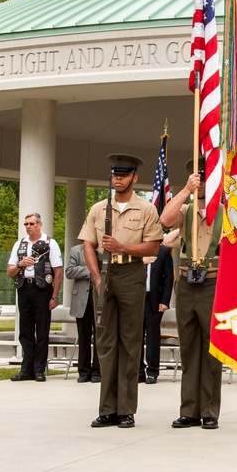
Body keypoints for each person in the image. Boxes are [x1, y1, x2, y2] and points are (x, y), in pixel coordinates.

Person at [79, 153, 163, 429]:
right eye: (115, 174)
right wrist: (96, 277)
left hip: (131, 273)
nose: (118, 178)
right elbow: (87, 245)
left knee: (130, 342)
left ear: (134, 178)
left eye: (124, 175)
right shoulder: (98, 209)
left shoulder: (146, 208)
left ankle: (126, 409)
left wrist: (123, 248)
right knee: (104, 342)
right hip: (104, 275)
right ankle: (107, 409)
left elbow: (152, 247)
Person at [160, 159, 224, 430]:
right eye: (197, 176)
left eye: (205, 177)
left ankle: (210, 411)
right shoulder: (184, 210)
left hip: (212, 283)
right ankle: (189, 409)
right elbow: (164, 220)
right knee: (188, 349)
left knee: (212, 350)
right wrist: (185, 190)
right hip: (186, 283)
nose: (200, 181)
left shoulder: (224, 212)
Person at [7, 213, 63, 382]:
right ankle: (26, 369)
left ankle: (39, 369)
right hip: (24, 287)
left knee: (42, 330)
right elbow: (10, 271)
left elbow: (58, 272)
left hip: (42, 289)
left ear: (40, 224)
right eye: (26, 224)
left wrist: (54, 296)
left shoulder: (50, 243)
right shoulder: (20, 244)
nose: (29, 226)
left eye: (32, 223)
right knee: (25, 331)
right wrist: (20, 264)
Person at [140, 229, 178, 384]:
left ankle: (152, 372)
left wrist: (165, 301)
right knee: (135, 336)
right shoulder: (136, 250)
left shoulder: (163, 251)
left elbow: (169, 279)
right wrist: (141, 261)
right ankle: (138, 371)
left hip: (155, 300)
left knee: (153, 335)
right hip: (137, 298)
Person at [65, 243, 100, 384]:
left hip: (99, 297)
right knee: (84, 336)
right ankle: (84, 371)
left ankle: (98, 371)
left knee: (100, 336)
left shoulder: (104, 249)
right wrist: (92, 269)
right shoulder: (76, 250)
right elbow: (69, 271)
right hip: (82, 299)